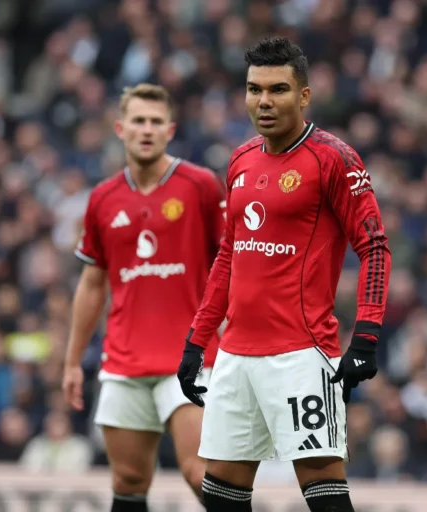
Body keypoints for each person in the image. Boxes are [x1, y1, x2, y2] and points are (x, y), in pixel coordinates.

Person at [176, 37, 391, 512]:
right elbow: (229, 256)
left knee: (324, 495)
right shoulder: (240, 159)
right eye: (254, 89)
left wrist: (367, 336)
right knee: (221, 495)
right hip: (235, 357)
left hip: (300, 355)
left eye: (278, 89)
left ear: (304, 95)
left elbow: (374, 248)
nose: (264, 102)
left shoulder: (334, 158)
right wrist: (198, 339)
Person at [62, 83, 225, 512]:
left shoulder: (201, 186)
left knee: (201, 472)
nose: (147, 129)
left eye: (156, 121)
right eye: (138, 120)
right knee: (129, 480)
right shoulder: (102, 199)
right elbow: (92, 284)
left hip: (192, 358)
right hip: (124, 361)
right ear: (120, 128)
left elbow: (233, 262)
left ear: (170, 130)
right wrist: (73, 360)